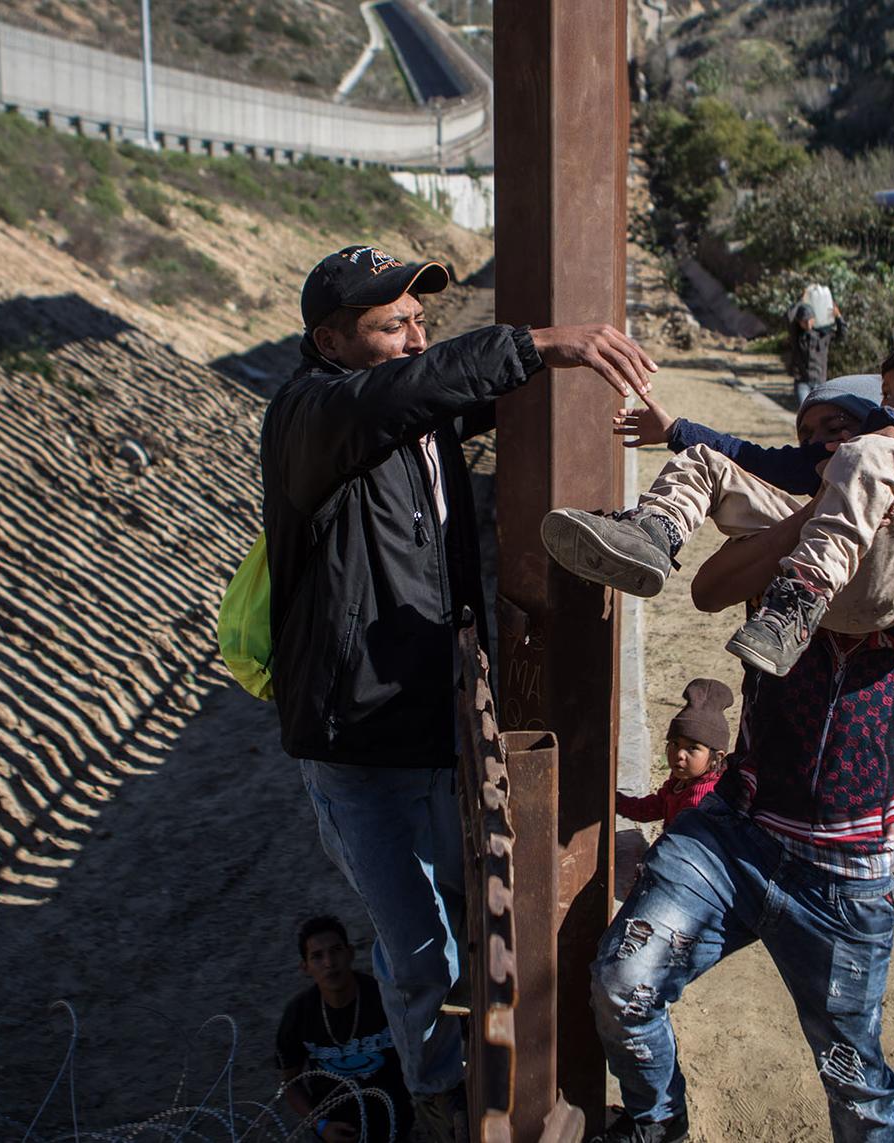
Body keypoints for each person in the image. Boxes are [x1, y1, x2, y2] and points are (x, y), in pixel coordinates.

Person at [589, 335, 894, 1143]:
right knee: (623, 980)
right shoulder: (817, 494)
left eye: (850, 428)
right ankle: (659, 1125)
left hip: (844, 872)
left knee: (852, 1078)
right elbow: (709, 585)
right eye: (811, 440)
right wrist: (814, 509)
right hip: (738, 829)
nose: (823, 449)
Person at [260, 244, 658, 1141]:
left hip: (433, 724)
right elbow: (406, 391)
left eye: (419, 320)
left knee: (474, 917)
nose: (414, 337)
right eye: (390, 323)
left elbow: (442, 389)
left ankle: (476, 1066)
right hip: (357, 743)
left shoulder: (403, 405)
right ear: (329, 340)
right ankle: (444, 1100)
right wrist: (542, 341)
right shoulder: (311, 415)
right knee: (418, 948)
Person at [541, 341, 894, 677]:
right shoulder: (854, 453)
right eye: (886, 395)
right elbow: (758, 459)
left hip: (873, 588)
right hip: (818, 557)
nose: (891, 409)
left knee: (875, 454)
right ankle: (652, 534)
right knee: (707, 462)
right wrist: (676, 432)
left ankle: (797, 601)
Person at [278, 916, 414, 1143]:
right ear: (305, 967)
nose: (330, 963)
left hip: (393, 1121)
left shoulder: (385, 999)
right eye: (317, 956)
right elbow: (290, 1083)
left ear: (350, 953)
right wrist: (320, 1125)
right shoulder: (298, 1015)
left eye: (336, 950)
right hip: (333, 1127)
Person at [616, 679, 732, 830]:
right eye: (675, 744)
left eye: (692, 748)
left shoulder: (702, 799)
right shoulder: (681, 780)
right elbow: (654, 807)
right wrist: (619, 802)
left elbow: (685, 844)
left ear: (717, 757)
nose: (680, 754)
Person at [782, 291, 845, 407]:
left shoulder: (823, 335)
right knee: (804, 409)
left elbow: (842, 335)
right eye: (804, 321)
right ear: (799, 322)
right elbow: (788, 316)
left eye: (809, 319)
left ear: (814, 319)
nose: (807, 323)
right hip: (802, 381)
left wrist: (838, 317)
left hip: (820, 382)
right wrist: (801, 300)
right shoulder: (797, 336)